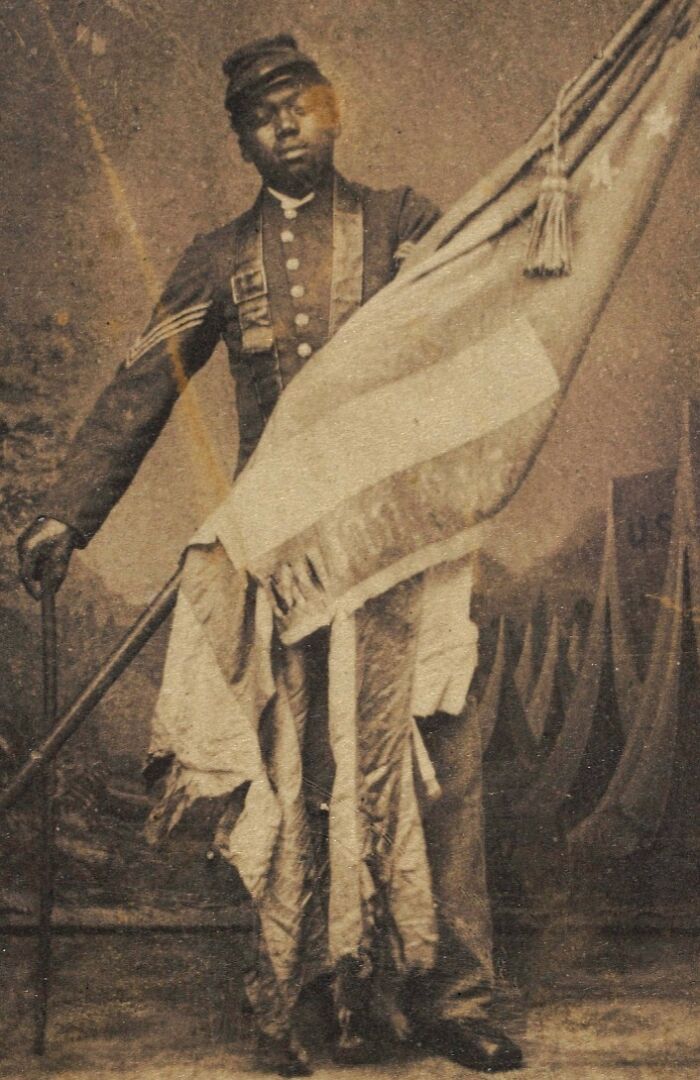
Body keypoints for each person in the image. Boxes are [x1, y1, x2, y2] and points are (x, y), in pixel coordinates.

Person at [18, 36, 523, 1075]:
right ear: (242, 141)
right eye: (262, 116)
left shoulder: (407, 225)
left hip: (403, 545)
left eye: (300, 105)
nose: (286, 125)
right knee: (295, 772)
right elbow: (140, 386)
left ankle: (452, 998)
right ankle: (291, 1002)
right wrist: (69, 514)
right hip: (288, 557)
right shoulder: (217, 257)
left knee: (438, 764)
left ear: (333, 111)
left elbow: (487, 306)